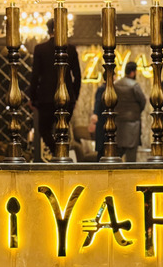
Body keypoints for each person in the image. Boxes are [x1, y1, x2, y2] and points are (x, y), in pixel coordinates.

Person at [28, 18, 82, 160]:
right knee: (62, 129)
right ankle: (61, 153)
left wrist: (32, 98)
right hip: (66, 98)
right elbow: (77, 76)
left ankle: (56, 152)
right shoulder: (70, 49)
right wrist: (74, 97)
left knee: (44, 130)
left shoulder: (40, 49)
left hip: (46, 98)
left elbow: (35, 75)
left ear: (48, 30)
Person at [113, 61, 147, 162]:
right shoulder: (134, 85)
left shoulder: (116, 85)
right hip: (133, 123)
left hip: (118, 123)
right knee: (131, 156)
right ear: (133, 72)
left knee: (117, 154)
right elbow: (143, 101)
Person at [91, 81, 107, 160]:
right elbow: (98, 102)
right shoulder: (102, 89)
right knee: (101, 149)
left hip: (104, 120)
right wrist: (95, 114)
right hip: (102, 120)